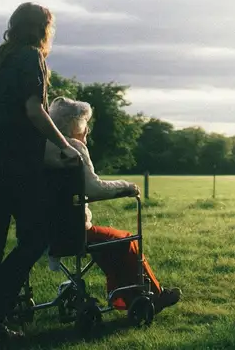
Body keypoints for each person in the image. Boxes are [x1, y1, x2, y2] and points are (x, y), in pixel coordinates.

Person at [0, 2, 82, 341]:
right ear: (44, 29)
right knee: (34, 239)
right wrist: (64, 144)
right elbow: (34, 110)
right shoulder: (32, 58)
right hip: (14, 168)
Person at [43, 96, 182, 313]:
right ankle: (151, 295)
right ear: (74, 124)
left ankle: (128, 296)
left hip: (45, 231)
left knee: (109, 242)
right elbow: (94, 189)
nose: (87, 130)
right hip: (74, 231)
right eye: (85, 124)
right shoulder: (74, 148)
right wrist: (126, 186)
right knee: (125, 240)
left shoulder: (43, 148)